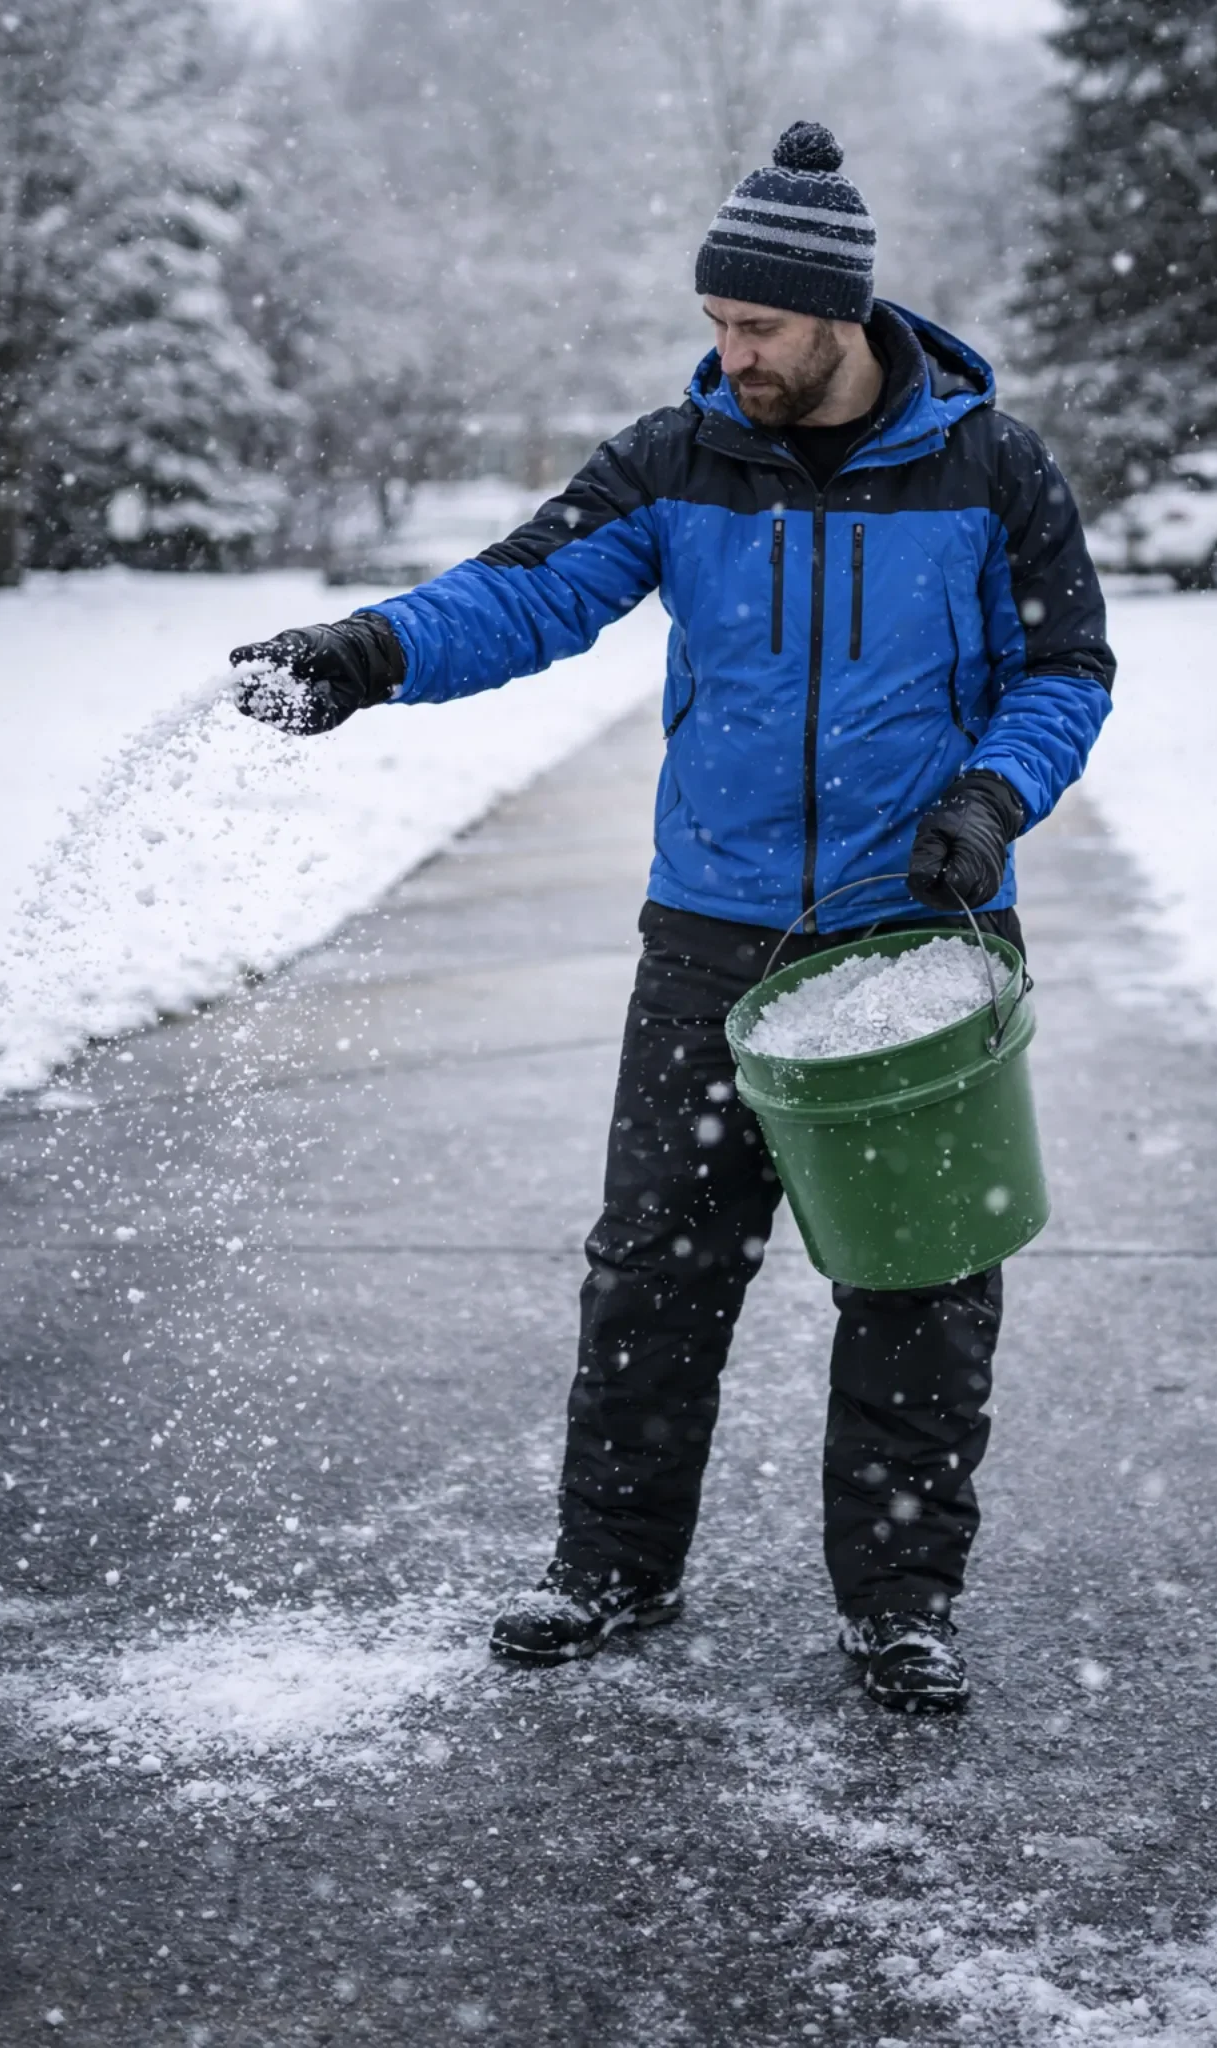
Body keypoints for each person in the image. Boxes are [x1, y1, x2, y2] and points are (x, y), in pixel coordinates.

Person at [231, 120, 1114, 1711]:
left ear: (840, 315)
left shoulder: (993, 468)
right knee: (654, 1267)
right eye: (718, 322)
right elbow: (526, 591)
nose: (734, 352)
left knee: (920, 1283)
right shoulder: (676, 458)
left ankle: (900, 1605)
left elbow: (1066, 669)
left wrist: (991, 799)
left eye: (758, 325)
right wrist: (364, 654)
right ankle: (613, 1569)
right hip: (712, 931)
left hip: (918, 934)